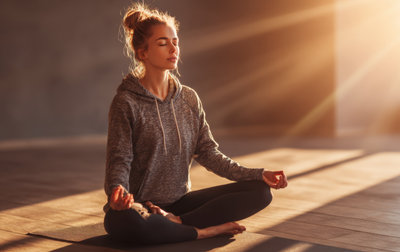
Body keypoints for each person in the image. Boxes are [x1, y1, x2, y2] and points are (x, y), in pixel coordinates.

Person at [103, 2, 288, 245]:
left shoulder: (188, 98)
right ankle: (203, 231)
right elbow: (120, 160)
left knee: (259, 192)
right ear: (142, 53)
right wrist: (120, 197)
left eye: (175, 41)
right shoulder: (126, 102)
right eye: (162, 43)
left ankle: (177, 223)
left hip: (181, 205)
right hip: (140, 207)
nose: (173, 48)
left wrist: (257, 174)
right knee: (122, 221)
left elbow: (209, 154)